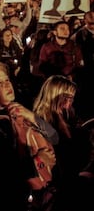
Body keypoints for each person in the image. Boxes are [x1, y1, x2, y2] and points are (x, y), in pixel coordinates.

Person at [0, 58, 58, 211]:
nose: (7, 85)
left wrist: (31, 117)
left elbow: (54, 137)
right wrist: (39, 161)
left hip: (41, 191)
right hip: (12, 199)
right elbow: (3, 170)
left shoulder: (18, 111)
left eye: (7, 80)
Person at [32, 75, 94, 211]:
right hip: (60, 181)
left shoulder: (66, 116)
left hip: (73, 174)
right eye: (67, 97)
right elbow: (63, 148)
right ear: (55, 95)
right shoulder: (43, 121)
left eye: (72, 97)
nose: (70, 101)